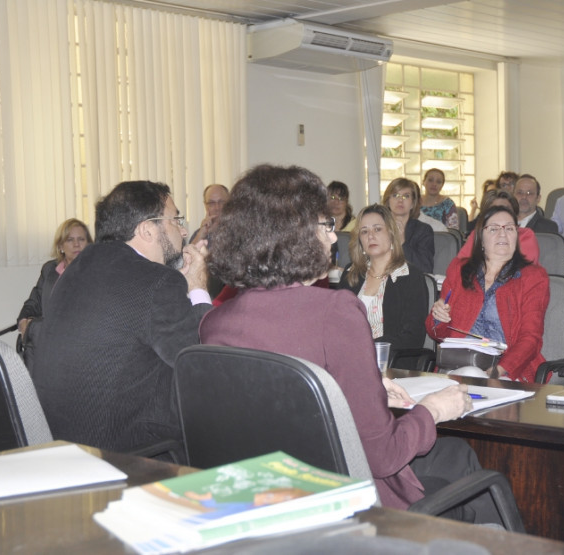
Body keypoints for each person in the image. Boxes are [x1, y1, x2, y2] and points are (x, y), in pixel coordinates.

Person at [199, 164, 501, 524]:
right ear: (293, 236)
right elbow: (383, 455)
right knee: (471, 467)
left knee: (455, 455)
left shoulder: (214, 324)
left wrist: (366, 386)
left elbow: (285, 400)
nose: (333, 239)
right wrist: (434, 409)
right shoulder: (335, 311)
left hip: (265, 500)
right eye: (326, 226)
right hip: (345, 502)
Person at [32, 180, 211, 458]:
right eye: (175, 219)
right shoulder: (157, 281)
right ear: (147, 230)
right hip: (126, 451)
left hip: (62, 443)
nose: (184, 230)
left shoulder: (74, 271)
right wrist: (198, 287)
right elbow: (199, 363)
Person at [427, 205, 550, 382]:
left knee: (472, 379)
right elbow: (436, 334)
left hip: (507, 371)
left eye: (509, 228)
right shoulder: (459, 270)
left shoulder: (533, 277)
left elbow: (531, 339)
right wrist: (438, 316)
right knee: (467, 377)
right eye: (494, 229)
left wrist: (498, 370)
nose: (502, 234)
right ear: (480, 238)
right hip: (458, 366)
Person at [339, 204, 428, 351]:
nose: (371, 236)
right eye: (364, 232)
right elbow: (336, 323)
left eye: (377, 229)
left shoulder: (410, 277)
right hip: (349, 357)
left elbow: (413, 337)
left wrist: (370, 347)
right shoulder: (351, 273)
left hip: (389, 362)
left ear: (391, 233)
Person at [16, 218, 93, 363]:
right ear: (61, 246)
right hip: (46, 341)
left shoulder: (95, 271)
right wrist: (24, 321)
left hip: (78, 342)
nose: (76, 244)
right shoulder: (49, 269)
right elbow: (33, 302)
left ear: (89, 244)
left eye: (81, 239)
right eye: (70, 240)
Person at [382, 178, 434, 274]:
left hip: (409, 283)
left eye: (406, 196)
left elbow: (425, 268)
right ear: (388, 201)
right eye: (395, 195)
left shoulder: (423, 230)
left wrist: (402, 242)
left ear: (412, 203)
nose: (400, 200)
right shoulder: (378, 228)